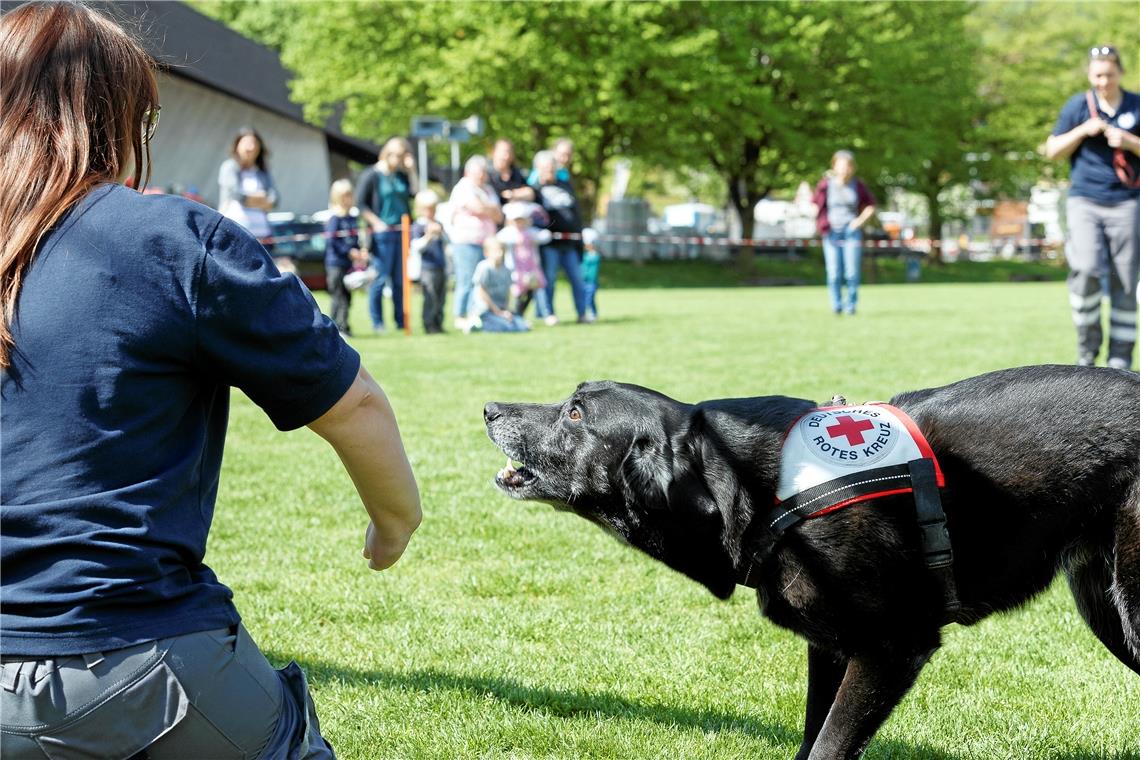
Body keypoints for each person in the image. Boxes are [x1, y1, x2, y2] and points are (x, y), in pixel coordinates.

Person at [0, 5, 421, 758]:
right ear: (118, 116)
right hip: (133, 656)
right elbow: (353, 404)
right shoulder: (173, 241)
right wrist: (396, 523)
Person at [1045, 44, 1140, 369]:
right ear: (1090, 74)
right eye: (1098, 75)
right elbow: (1052, 150)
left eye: (1109, 75)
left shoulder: (1136, 105)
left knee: (1126, 280)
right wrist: (1082, 131)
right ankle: (1087, 350)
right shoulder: (1078, 106)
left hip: (1127, 202)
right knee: (1085, 269)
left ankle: (1120, 361)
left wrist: (1129, 142)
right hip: (1085, 200)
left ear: (1120, 73)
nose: (1103, 82)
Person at [355, 137, 417, 334]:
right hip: (382, 234)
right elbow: (361, 204)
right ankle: (378, 323)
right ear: (388, 154)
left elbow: (415, 193)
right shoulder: (372, 175)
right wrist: (376, 222)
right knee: (380, 278)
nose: (401, 160)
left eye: (404, 156)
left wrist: (412, 170)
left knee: (400, 280)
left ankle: (400, 321)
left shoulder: (401, 176)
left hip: (402, 232)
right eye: (399, 156)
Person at [811, 150, 876, 316]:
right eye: (841, 166)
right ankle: (836, 306)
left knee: (852, 272)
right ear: (834, 166)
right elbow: (814, 204)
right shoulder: (825, 185)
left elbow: (870, 206)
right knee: (834, 273)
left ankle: (851, 307)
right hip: (831, 232)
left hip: (851, 232)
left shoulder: (858, 185)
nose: (844, 170)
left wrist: (859, 221)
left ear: (853, 168)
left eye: (847, 166)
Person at [531, 150, 588, 325]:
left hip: (570, 242)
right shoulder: (535, 191)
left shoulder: (565, 185)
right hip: (549, 244)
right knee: (549, 279)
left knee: (578, 279)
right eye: (546, 168)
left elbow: (575, 212)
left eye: (552, 168)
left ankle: (582, 313)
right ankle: (548, 313)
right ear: (538, 169)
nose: (550, 171)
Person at [447, 155, 502, 330]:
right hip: (466, 241)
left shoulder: (488, 190)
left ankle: (474, 314)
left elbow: (498, 215)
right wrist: (489, 208)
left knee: (481, 281)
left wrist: (485, 208)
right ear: (468, 172)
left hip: (486, 242)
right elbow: (477, 207)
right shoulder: (463, 187)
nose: (481, 176)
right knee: (466, 279)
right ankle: (460, 315)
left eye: (484, 172)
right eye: (478, 172)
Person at [218, 127, 278, 247]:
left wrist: (251, 199)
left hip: (263, 238)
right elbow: (238, 196)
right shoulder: (229, 167)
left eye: (254, 143)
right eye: (246, 143)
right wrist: (261, 197)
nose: (251, 147)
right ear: (237, 145)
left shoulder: (263, 173)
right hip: (235, 236)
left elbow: (275, 200)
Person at [324, 179, 367, 336]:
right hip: (335, 264)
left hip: (348, 264)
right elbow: (332, 241)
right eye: (344, 196)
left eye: (349, 195)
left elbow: (355, 239)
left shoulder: (352, 218)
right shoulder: (335, 218)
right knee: (338, 296)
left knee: (347, 297)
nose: (347, 199)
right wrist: (348, 251)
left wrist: (359, 251)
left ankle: (344, 325)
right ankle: (336, 327)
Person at [497, 201, 552, 320]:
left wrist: (532, 238)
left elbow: (545, 236)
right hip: (516, 269)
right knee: (518, 291)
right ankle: (516, 313)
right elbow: (500, 238)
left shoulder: (531, 232)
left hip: (532, 268)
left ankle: (545, 313)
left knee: (535, 289)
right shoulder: (509, 233)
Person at [467, 237, 529, 333]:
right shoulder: (484, 268)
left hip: (500, 309)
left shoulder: (507, 269)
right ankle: (476, 323)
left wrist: (507, 310)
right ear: (486, 253)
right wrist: (497, 311)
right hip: (486, 310)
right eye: (495, 250)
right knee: (506, 327)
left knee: (522, 327)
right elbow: (481, 292)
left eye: (501, 250)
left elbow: (508, 292)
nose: (499, 253)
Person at [410, 189, 448, 334]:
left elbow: (447, 242)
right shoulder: (418, 226)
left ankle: (439, 322)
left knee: (441, 297)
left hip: (440, 265)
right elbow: (416, 246)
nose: (430, 212)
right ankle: (429, 323)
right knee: (430, 296)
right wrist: (428, 236)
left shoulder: (438, 223)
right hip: (427, 267)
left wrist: (441, 233)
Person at [488, 138, 535, 209]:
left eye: (509, 152)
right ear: (494, 152)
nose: (506, 156)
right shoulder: (486, 173)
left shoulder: (516, 173)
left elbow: (530, 193)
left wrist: (513, 194)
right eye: (503, 152)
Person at [580, 226, 602, 322]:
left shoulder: (594, 255)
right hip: (583, 281)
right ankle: (589, 314)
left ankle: (593, 314)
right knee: (585, 298)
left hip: (591, 281)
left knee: (589, 299)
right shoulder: (584, 255)